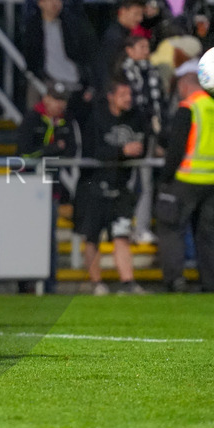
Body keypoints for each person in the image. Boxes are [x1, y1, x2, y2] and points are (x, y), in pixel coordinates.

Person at [155, 61, 214, 292]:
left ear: (186, 85)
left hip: (186, 180)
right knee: (207, 236)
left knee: (171, 229)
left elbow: (177, 147)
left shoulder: (189, 108)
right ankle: (212, 283)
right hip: (213, 182)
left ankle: (175, 281)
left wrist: (165, 178)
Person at [74, 78, 148, 295]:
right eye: (123, 95)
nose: (128, 99)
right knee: (92, 237)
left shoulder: (135, 118)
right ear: (111, 96)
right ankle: (97, 283)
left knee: (121, 234)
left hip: (121, 187)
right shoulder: (96, 117)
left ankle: (128, 282)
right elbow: (92, 152)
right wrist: (121, 152)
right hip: (94, 186)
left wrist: (137, 149)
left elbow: (143, 145)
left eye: (130, 95)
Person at [16, 79, 78, 293]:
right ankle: (25, 284)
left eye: (63, 101)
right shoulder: (32, 118)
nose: (60, 105)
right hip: (27, 188)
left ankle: (49, 282)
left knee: (49, 237)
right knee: (27, 235)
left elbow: (70, 150)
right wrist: (52, 149)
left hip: (50, 188)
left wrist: (49, 150)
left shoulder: (65, 121)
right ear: (46, 99)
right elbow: (24, 153)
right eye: (56, 99)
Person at [115, 35, 164, 244]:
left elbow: (158, 102)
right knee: (126, 181)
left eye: (147, 46)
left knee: (145, 182)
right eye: (142, 46)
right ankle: (120, 224)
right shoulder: (120, 73)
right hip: (126, 133)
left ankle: (141, 227)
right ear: (129, 50)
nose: (146, 50)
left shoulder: (153, 72)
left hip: (148, 134)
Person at [20, 0, 92, 107]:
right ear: (40, 2)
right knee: (34, 95)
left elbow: (85, 54)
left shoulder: (71, 25)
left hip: (72, 80)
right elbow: (31, 57)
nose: (55, 2)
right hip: (46, 80)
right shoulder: (33, 28)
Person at [99, 0, 146, 89]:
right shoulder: (114, 37)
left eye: (141, 15)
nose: (140, 19)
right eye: (136, 14)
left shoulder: (125, 34)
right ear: (123, 11)